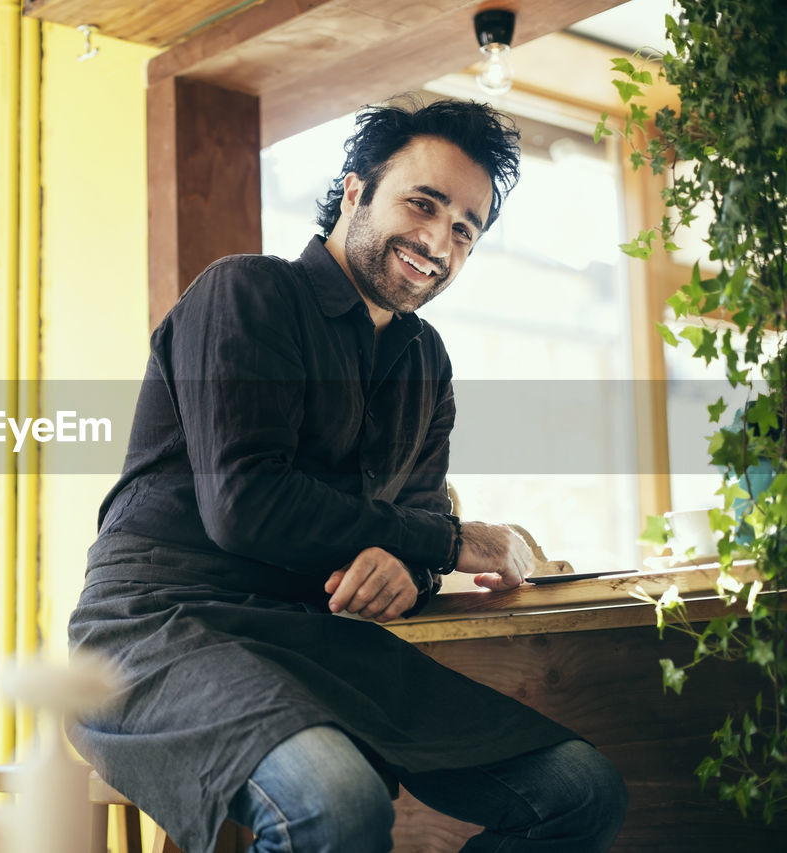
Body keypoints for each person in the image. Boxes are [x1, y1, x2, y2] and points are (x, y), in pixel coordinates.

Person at [68, 97, 627, 853]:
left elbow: (416, 531)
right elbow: (246, 504)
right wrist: (446, 541)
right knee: (335, 802)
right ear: (357, 190)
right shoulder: (245, 294)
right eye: (422, 203)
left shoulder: (426, 362)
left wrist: (411, 569)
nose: (438, 239)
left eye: (465, 228)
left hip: (317, 645)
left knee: (581, 789)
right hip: (161, 630)